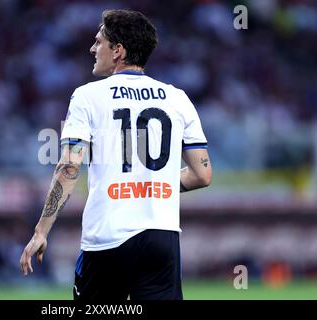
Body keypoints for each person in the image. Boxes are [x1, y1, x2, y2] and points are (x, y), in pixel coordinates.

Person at [20, 9, 212, 300]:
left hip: (108, 238)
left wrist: (41, 230)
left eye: (99, 42)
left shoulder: (87, 96)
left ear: (118, 51)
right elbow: (202, 174)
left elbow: (69, 168)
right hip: (162, 236)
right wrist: (149, 187)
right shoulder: (178, 98)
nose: (92, 48)